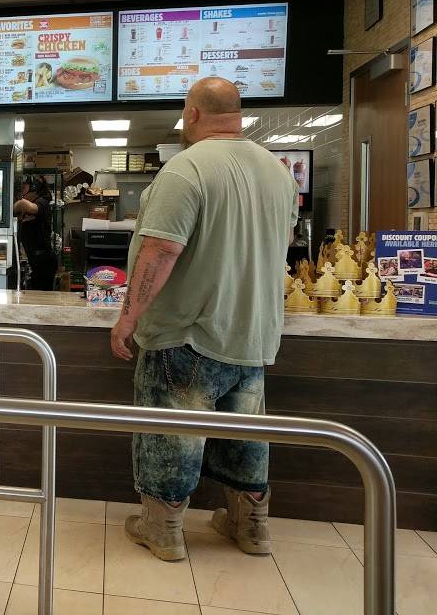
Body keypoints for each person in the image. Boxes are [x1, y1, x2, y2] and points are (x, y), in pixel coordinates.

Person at [110, 77, 299, 562]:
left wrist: (128, 318)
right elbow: (280, 243)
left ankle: (165, 531)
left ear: (191, 114)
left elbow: (160, 250)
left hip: (186, 332)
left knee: (172, 434)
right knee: (246, 435)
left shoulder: (185, 168)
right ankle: (251, 526)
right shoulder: (279, 173)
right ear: (238, 113)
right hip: (253, 332)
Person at [15, 175, 57, 290]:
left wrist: (11, 207)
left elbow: (24, 205)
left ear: (34, 189)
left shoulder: (42, 202)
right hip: (36, 259)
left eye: (24, 189)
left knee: (41, 297)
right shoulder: (34, 203)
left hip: (43, 261)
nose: (21, 193)